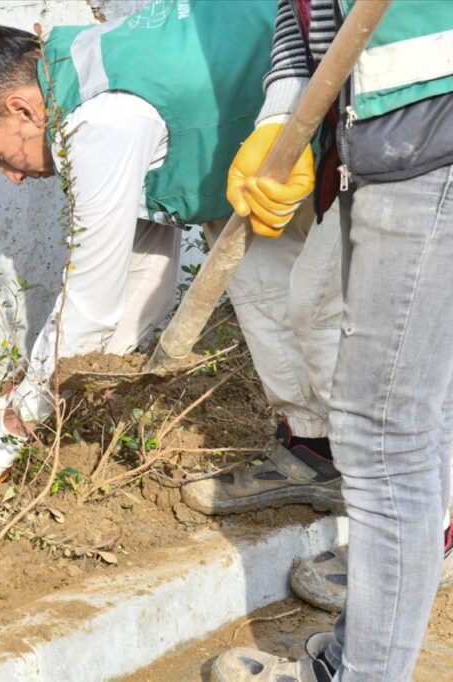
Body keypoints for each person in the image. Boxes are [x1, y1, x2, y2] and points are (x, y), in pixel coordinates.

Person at [0, 2, 348, 505]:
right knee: (259, 290)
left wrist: (15, 421)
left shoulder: (100, 122)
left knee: (324, 314)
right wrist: (78, 378)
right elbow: (142, 277)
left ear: (23, 109)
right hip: (260, 150)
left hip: (355, 120)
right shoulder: (83, 67)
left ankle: (399, 490)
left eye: (0, 157)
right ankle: (316, 450)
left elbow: (94, 299)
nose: (12, 176)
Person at [210, 0, 453, 680]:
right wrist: (277, 120)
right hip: (382, 130)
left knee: (383, 433)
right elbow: (304, 13)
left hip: (429, 117)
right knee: (418, 420)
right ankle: (353, 661)